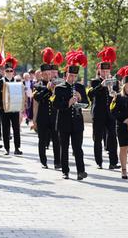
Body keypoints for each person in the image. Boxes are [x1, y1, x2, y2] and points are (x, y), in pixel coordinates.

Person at [53, 49, 88, 180]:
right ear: (66, 75)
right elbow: (56, 105)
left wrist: (81, 99)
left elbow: (86, 103)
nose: (73, 78)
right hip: (64, 122)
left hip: (77, 122)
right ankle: (65, 171)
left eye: (75, 76)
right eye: (70, 76)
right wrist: (68, 103)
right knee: (65, 148)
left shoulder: (80, 88)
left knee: (78, 148)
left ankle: (81, 171)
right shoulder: (59, 88)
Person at [87, 47, 120, 170]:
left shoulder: (114, 81)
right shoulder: (95, 81)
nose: (105, 72)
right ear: (99, 71)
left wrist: (114, 89)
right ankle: (99, 161)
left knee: (112, 137)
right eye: (103, 70)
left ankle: (113, 162)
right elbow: (91, 95)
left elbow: (117, 95)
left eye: (107, 70)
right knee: (98, 137)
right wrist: (101, 85)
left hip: (110, 113)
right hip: (99, 113)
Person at [33, 47, 62, 169]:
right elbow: (37, 98)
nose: (47, 76)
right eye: (45, 74)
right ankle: (43, 160)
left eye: (49, 74)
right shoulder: (38, 85)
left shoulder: (58, 84)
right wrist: (47, 88)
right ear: (41, 74)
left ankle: (57, 162)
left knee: (56, 140)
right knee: (42, 140)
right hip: (43, 117)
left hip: (54, 116)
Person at [0, 54, 23, 156]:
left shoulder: (17, 81)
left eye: (10, 71)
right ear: (4, 71)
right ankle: (6, 148)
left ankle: (17, 148)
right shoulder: (0, 81)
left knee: (16, 129)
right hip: (4, 109)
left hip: (15, 109)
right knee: (5, 129)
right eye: (7, 71)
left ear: (13, 72)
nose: (9, 72)